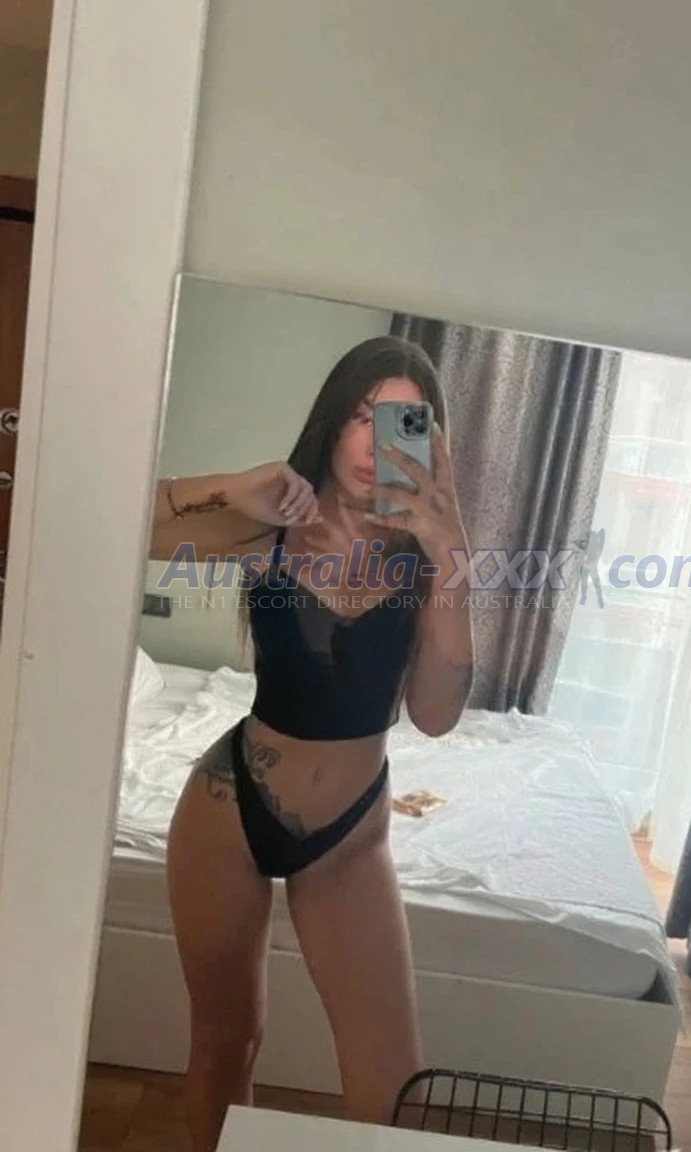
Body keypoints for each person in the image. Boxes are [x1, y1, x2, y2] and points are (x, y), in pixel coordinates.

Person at [148, 336, 473, 1152]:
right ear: (332, 423)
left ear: (428, 441)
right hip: (226, 814)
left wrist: (453, 551)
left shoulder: (425, 557)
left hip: (351, 839)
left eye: (401, 422)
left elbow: (436, 714)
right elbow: (128, 520)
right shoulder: (274, 523)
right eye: (361, 415)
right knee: (227, 1044)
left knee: (392, 1092)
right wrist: (231, 486)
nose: (374, 441)